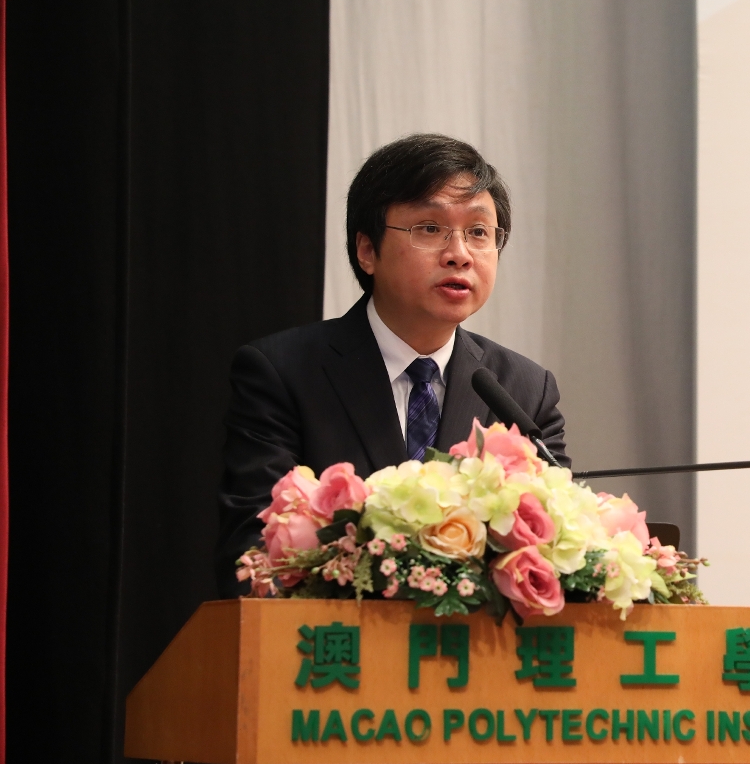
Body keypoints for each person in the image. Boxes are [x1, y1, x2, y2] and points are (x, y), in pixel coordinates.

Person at [215, 133, 570, 596]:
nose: (460, 253)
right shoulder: (283, 374)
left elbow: (561, 548)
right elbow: (254, 556)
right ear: (367, 250)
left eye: (479, 232)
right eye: (430, 228)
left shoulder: (523, 392)